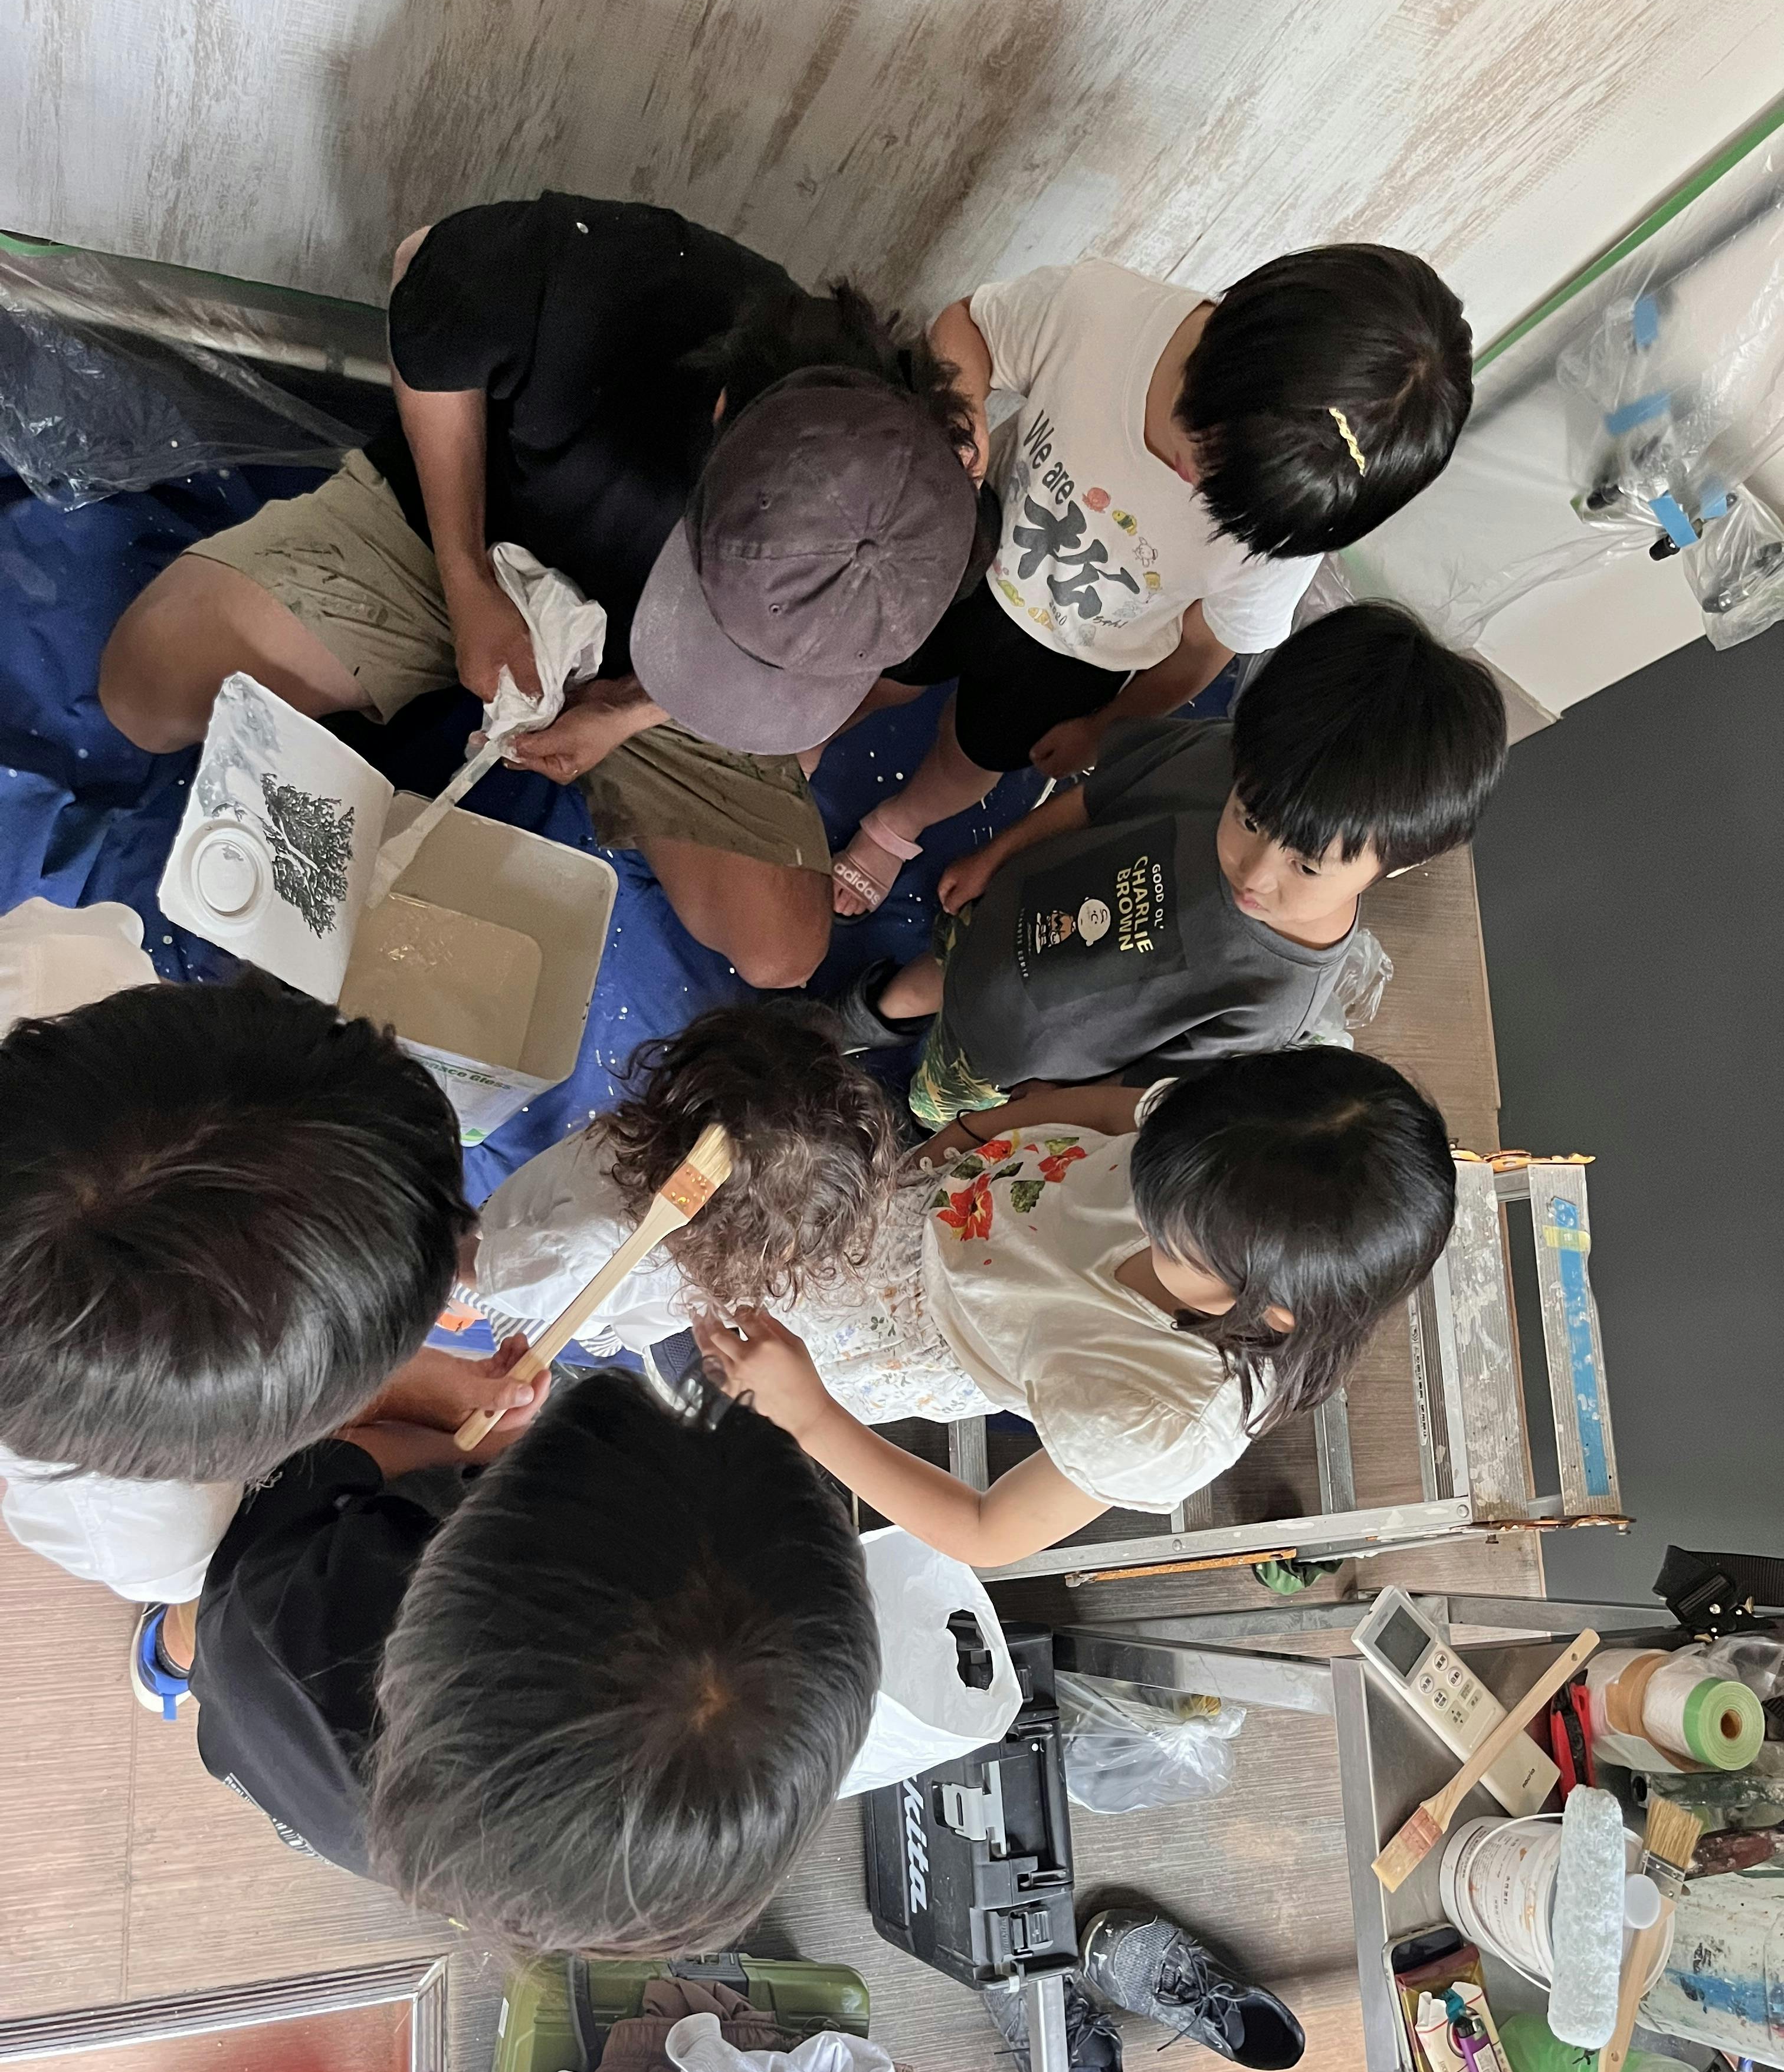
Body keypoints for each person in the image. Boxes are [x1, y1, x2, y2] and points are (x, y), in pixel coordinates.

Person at [99, 198, 982, 989]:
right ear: (718, 418)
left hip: (659, 681)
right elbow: (421, 278)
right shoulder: (614, 286)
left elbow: (847, 683)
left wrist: (629, 710)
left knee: (782, 952)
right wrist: (465, 580)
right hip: (470, 536)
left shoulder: (922, 536)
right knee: (147, 691)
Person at [481, 1048, 1457, 1568]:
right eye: (1148, 1177)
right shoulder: (1233, 1142)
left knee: (702, 1293)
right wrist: (981, 1129)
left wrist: (810, 1415)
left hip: (902, 1335)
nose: (1141, 1204)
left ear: (1271, 1310)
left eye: (1169, 1235)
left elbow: (988, 1533)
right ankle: (532, 1275)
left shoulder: (1162, 1417)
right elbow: (1108, 1110)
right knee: (720, 1217)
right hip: (937, 1196)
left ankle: (566, 1309)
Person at [830, 245, 1474, 914]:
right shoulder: (1102, 313)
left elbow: (1203, 648)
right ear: (1229, 338)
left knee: (974, 755)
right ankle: (808, 738)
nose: (1195, 481)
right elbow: (968, 325)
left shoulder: (1287, 535)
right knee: (884, 670)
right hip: (970, 550)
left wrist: (1106, 726)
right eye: (1205, 446)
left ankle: (897, 825)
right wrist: (964, 421)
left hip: (1077, 659)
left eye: (1231, 506)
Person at [189, 1370, 880, 1956]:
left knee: (194, 1612)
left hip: (243, 1682)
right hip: (350, 1827)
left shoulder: (280, 1612)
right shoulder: (580, 1880)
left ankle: (166, 1659)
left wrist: (461, 1440)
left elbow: (342, 1459)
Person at [0, 948, 536, 1705]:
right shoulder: (149, 1530)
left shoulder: (51, 965)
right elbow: (249, 1533)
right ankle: (172, 1657)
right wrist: (403, 1403)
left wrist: (403, 1388)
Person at [831, 602, 1507, 1129]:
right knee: (933, 975)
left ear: (1397, 865)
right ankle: (862, 1019)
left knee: (934, 1099)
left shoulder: (1276, 998)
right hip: (995, 918)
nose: (1254, 874)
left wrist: (1056, 1103)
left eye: (1305, 867)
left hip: (1008, 1055)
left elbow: (1151, 1088)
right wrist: (995, 855)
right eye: (1248, 820)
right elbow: (1097, 797)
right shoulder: (1224, 759)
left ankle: (920, 1108)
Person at [472, 1001, 897, 1354]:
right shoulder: (760, 1255)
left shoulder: (584, 1246)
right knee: (587, 1325)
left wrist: (455, 1260)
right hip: (553, 1280)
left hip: (551, 1287)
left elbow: (492, 1274)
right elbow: (497, 1273)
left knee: (556, 1318)